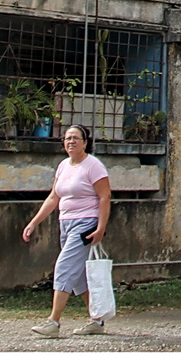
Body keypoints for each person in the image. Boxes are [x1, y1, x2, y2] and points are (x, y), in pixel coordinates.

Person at [23, 125, 112, 337]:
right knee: (79, 275)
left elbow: (105, 196)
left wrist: (100, 227)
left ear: (85, 142)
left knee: (63, 267)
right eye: (67, 138)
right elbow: (54, 197)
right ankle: (97, 320)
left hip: (85, 224)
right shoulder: (63, 166)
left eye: (75, 138)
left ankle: (53, 322)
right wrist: (34, 222)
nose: (71, 142)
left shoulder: (93, 166)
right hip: (66, 223)